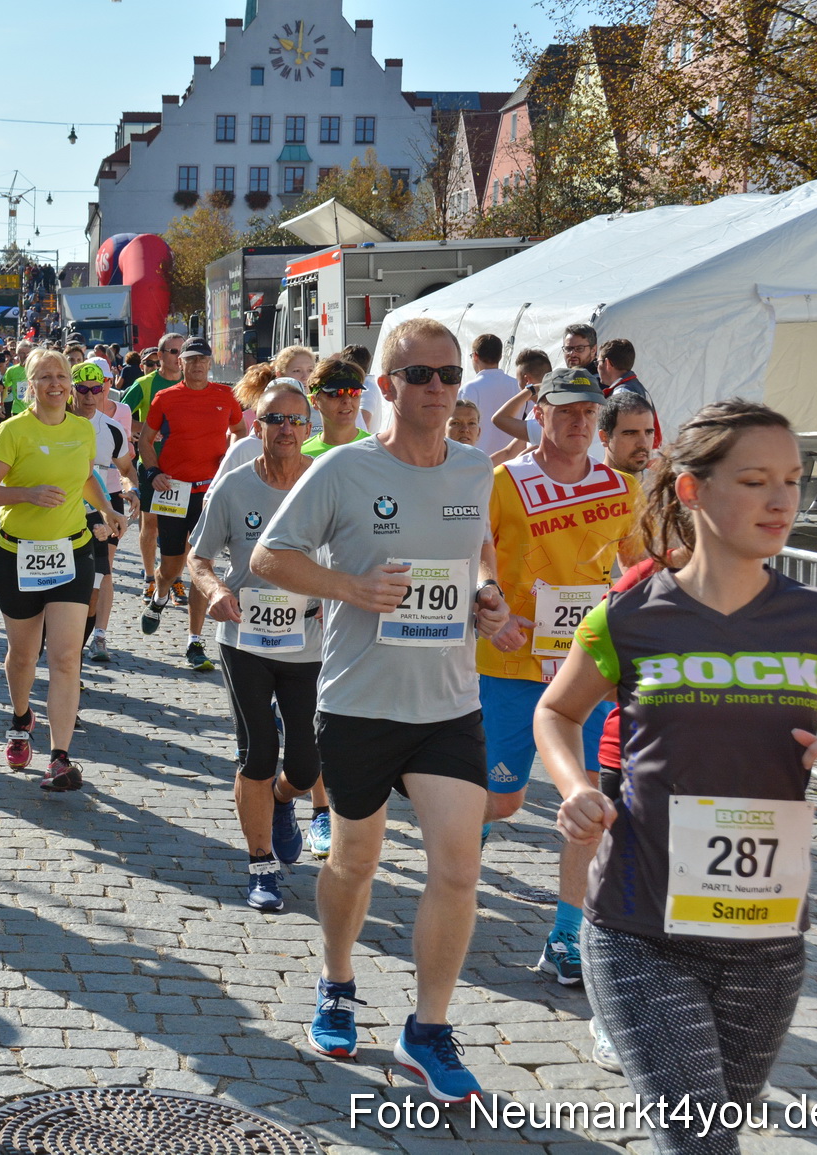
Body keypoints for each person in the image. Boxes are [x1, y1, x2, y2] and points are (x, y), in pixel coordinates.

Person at [535, 399, 817, 1155]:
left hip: (767, 938)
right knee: (700, 1145)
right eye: (754, 480)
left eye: (792, 480)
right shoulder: (629, 616)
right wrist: (576, 787)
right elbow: (556, 712)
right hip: (639, 929)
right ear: (691, 490)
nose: (781, 500)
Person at [251, 316, 519, 1102]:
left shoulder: (476, 471)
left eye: (448, 375)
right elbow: (272, 555)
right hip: (361, 701)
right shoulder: (342, 471)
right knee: (356, 862)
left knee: (459, 867)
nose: (437, 388)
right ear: (387, 387)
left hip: (447, 704)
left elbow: (477, 563)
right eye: (420, 375)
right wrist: (348, 588)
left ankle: (426, 1029)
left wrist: (488, 603)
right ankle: (337, 980)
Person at [476, 367, 642, 988]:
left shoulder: (622, 489)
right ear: (538, 413)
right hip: (513, 665)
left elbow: (636, 567)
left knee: (590, 804)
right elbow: (475, 553)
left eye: (589, 414)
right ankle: (470, 839)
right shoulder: (501, 483)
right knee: (503, 798)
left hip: (591, 671)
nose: (579, 423)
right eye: (566, 411)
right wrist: (488, 606)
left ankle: (567, 934)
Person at [187, 381, 325, 910]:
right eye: (274, 419)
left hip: (308, 641)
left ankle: (285, 801)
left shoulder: (323, 483)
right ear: (255, 426)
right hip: (244, 637)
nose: (285, 429)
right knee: (259, 751)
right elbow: (199, 559)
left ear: (307, 430)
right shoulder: (234, 487)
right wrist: (217, 589)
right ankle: (261, 864)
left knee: (309, 764)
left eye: (295, 420)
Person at [0, 348, 124, 790]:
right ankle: (22, 719)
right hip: (17, 555)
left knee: (65, 656)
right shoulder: (12, 432)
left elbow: (83, 478)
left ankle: (60, 758)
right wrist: (27, 494)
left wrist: (107, 510)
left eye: (62, 375)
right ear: (30, 386)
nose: (56, 384)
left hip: (72, 553)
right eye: (45, 377)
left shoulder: (82, 430)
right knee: (23, 656)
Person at [138, 337, 246, 670]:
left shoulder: (225, 395)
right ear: (179, 364)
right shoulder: (165, 397)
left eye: (203, 359)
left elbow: (240, 432)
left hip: (209, 493)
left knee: (201, 565)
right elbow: (144, 440)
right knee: (171, 567)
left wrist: (228, 461)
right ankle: (159, 595)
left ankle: (194, 641)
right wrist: (154, 471)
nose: (197, 364)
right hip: (174, 490)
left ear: (210, 363)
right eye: (191, 359)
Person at [70, 360, 137, 664]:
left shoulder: (111, 428)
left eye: (95, 389)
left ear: (104, 388)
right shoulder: (55, 421)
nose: (89, 395)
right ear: (72, 389)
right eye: (82, 389)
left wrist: (132, 488)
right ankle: (62, 644)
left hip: (104, 506)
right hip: (64, 506)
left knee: (100, 575)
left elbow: (126, 469)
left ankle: (91, 640)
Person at [121, 333, 185, 601]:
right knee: (151, 525)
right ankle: (149, 577)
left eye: (184, 352)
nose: (179, 358)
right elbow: (117, 414)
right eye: (173, 352)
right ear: (160, 356)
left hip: (183, 465)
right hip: (151, 464)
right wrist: (141, 429)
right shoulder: (144, 384)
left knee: (182, 528)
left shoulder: (191, 382)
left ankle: (176, 578)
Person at [455, 333, 519, 456]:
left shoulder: (469, 389)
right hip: (512, 462)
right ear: (500, 356)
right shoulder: (517, 386)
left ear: (475, 356)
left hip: (479, 461)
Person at [301, 358, 372, 458]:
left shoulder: (377, 450)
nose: (347, 400)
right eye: (335, 393)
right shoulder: (302, 454)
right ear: (314, 401)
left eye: (354, 392)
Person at [599, 388, 656, 478]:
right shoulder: (588, 489)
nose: (643, 444)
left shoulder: (664, 487)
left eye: (648, 432)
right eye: (631, 433)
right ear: (604, 437)